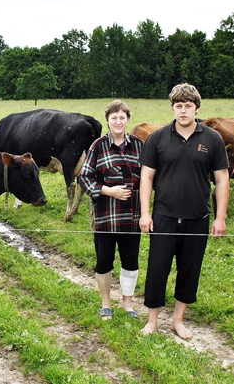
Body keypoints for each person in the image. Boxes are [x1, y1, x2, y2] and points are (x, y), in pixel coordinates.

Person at [139, 84, 230, 337]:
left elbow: (222, 180)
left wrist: (220, 217)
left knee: (190, 270)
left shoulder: (212, 138)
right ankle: (152, 321)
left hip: (197, 217)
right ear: (172, 108)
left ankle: (178, 321)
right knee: (157, 269)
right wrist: (145, 214)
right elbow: (146, 178)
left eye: (188, 106)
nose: (183, 111)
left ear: (196, 108)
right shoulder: (158, 138)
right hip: (164, 217)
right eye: (178, 106)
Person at [80, 100, 144, 321]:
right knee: (104, 262)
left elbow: (147, 178)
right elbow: (84, 178)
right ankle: (106, 303)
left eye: (122, 117)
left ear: (128, 120)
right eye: (114, 118)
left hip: (132, 217)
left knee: (130, 262)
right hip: (105, 217)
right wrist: (108, 190)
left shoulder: (138, 145)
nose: (118, 121)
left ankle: (127, 303)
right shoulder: (97, 146)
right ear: (107, 120)